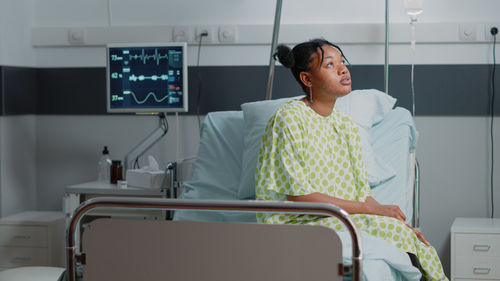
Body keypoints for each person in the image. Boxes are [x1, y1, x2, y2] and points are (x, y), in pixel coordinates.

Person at [255, 38, 447, 280]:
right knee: (400, 240)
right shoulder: (289, 119)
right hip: (299, 222)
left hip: (339, 217)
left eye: (343, 62)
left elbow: (358, 191)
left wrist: (388, 215)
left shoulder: (345, 125)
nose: (343, 69)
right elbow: (299, 196)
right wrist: (371, 210)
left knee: (408, 236)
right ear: (307, 79)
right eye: (330, 65)